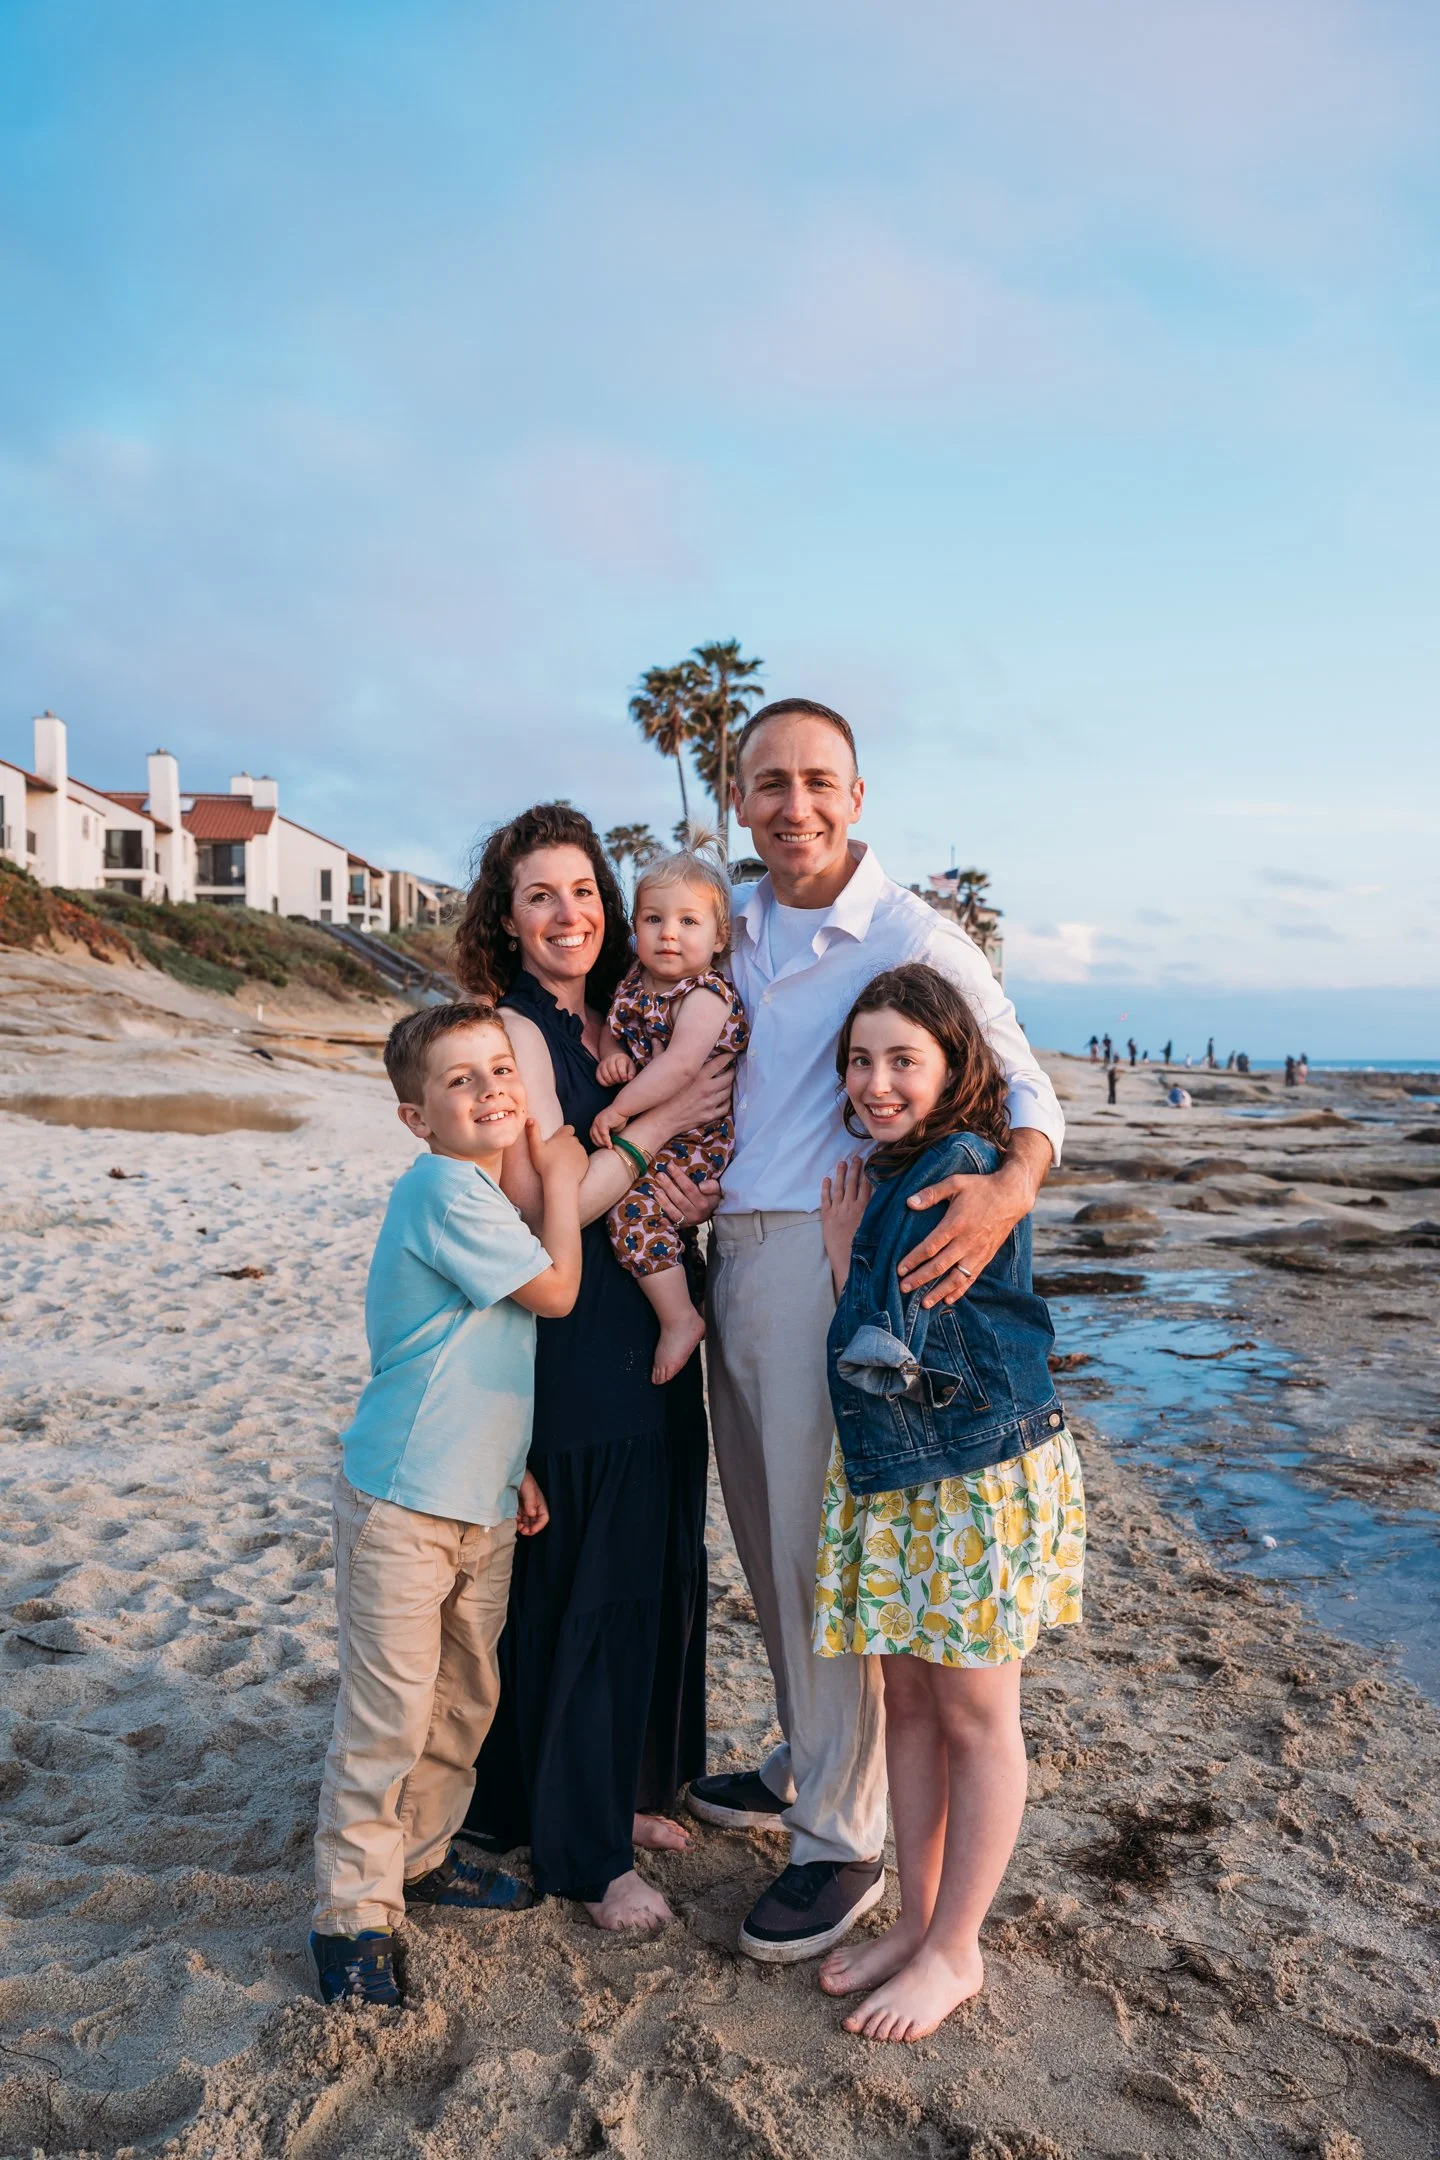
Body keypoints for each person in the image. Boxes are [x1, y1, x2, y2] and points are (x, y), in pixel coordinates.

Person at [686, 699, 1065, 1965]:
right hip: (730, 1255)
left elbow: (1021, 1080)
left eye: (819, 781)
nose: (795, 804)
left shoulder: (910, 933)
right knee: (764, 1534)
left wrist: (1011, 1188)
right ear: (738, 797)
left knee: (811, 1550)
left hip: (817, 1253)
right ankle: (812, 1757)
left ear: (859, 794)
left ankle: (839, 1840)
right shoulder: (728, 918)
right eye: (769, 782)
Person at [457, 804, 731, 1932]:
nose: (569, 915)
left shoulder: (632, 1007)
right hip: (575, 1337)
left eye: (583, 893)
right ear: (508, 919)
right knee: (586, 1580)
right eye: (540, 897)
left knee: (657, 1561)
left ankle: (623, 1791)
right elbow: (535, 1207)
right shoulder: (516, 1028)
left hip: (657, 1303)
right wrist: (656, 1138)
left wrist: (693, 1180)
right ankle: (582, 1852)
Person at [812, 964, 1083, 2042]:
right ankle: (919, 1923)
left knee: (976, 1717)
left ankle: (957, 1951)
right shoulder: (894, 1172)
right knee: (911, 1707)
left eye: (902, 1061)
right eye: (859, 1061)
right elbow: (893, 1335)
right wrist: (852, 1259)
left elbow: (881, 1343)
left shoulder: (962, 1165)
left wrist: (844, 1267)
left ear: (955, 1064)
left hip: (971, 1476)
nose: (876, 1082)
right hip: (906, 1473)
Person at [310, 1001, 586, 2006]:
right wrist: (561, 1178)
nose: (490, 1090)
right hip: (402, 1503)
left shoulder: (472, 1192)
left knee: (464, 1696)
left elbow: (475, 1358)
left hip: (475, 1496)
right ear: (415, 1117)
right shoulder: (440, 1187)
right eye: (460, 1080)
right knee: (385, 1714)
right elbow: (554, 1295)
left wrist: (512, 1468)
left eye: (500, 1069)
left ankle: (422, 1856)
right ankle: (353, 1915)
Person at [591, 842, 749, 1385]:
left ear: (720, 937)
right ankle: (677, 1307)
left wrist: (621, 1108)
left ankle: (680, 1318)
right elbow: (615, 1025)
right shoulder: (634, 982)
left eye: (688, 921)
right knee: (632, 1210)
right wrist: (613, 1053)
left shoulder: (704, 994)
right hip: (664, 1129)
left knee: (630, 1210)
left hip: (697, 1140)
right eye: (654, 919)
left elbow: (682, 1066)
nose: (669, 934)